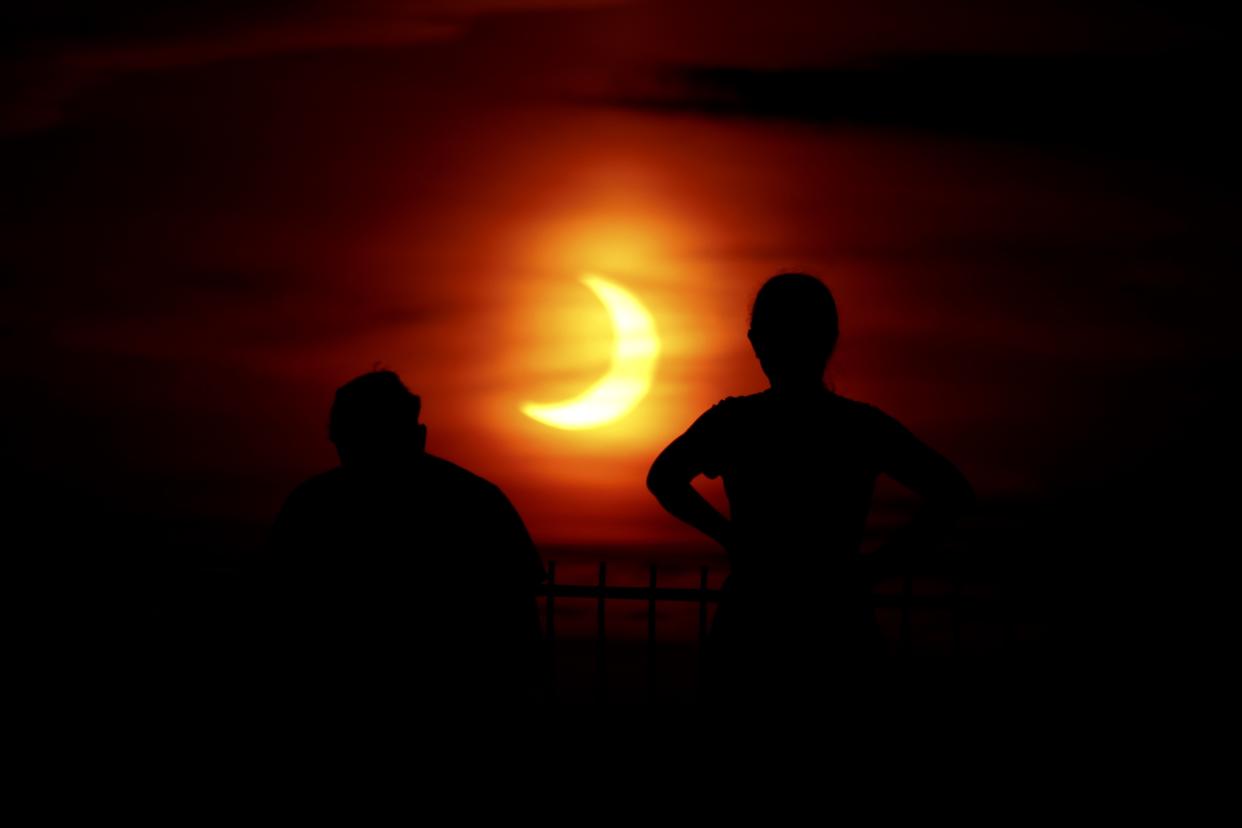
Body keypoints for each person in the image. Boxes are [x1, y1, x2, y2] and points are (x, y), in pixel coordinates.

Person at [646, 273, 974, 702]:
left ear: (756, 342)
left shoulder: (737, 422)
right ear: (830, 339)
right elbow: (953, 494)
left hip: (755, 620)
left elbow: (663, 477)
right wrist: (874, 569)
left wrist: (732, 538)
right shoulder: (860, 426)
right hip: (837, 619)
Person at [258, 370, 546, 705]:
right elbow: (519, 619)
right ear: (418, 434)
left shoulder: (311, 506)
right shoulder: (477, 500)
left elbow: (279, 612)